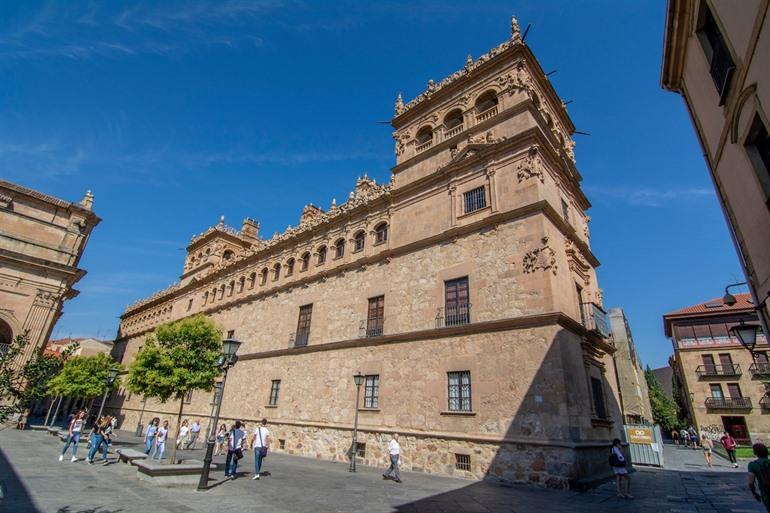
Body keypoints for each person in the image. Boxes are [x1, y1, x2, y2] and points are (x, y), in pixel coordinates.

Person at [748, 443, 770, 512]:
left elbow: (751, 482)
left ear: (755, 453)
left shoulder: (753, 465)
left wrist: (754, 493)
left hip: (766, 492)